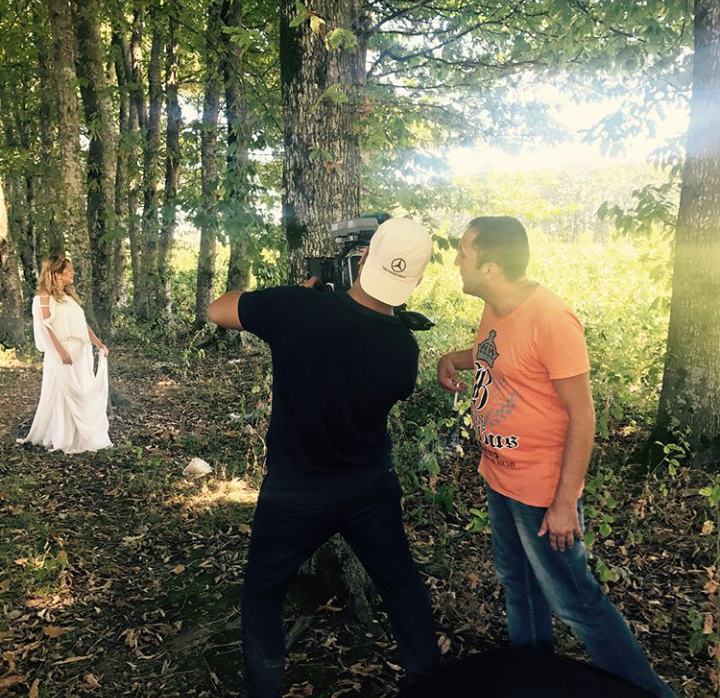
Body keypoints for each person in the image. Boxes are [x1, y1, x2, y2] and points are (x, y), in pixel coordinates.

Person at [437, 216, 675, 698]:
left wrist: (565, 502)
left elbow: (582, 415)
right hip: (500, 478)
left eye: (464, 253)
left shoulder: (552, 320)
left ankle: (648, 692)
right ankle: (532, 678)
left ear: (490, 267)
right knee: (518, 585)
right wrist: (453, 358)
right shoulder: (496, 306)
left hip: (542, 492)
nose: (456, 261)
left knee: (575, 602)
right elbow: (496, 352)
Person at [208, 218, 440, 698]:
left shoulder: (296, 308)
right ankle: (429, 682)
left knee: (263, 593)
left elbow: (218, 309)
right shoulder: (404, 347)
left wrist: (296, 297)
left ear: (363, 258)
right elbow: (389, 386)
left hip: (295, 489)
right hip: (369, 486)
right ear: (414, 281)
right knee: (401, 586)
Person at [20, 255, 112, 454]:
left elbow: (82, 325)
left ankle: (78, 434)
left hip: (80, 350)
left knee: (81, 387)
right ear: (57, 274)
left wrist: (98, 344)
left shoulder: (69, 296)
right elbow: (46, 326)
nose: (72, 273)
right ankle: (62, 435)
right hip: (61, 350)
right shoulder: (44, 297)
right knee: (62, 392)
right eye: (68, 270)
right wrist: (61, 351)